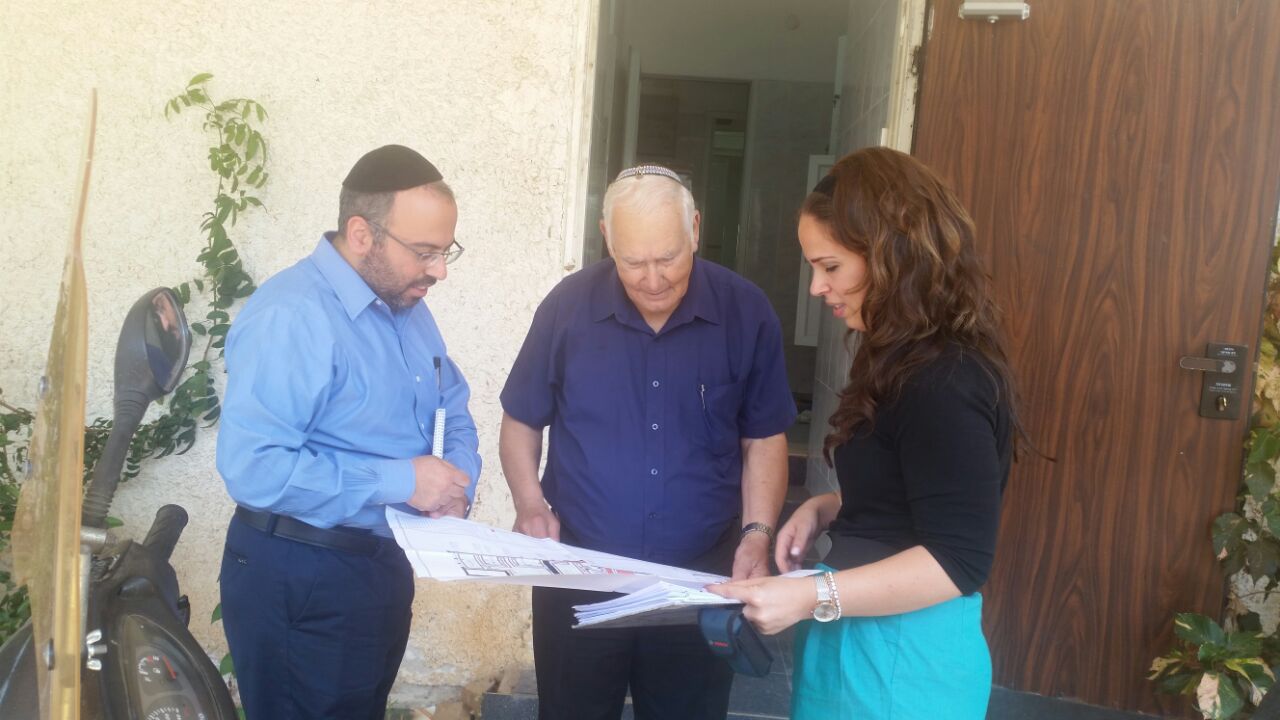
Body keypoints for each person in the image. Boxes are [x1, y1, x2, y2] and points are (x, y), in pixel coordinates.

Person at [710, 147, 1024, 719]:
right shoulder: (901, 361)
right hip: (860, 639)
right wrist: (827, 507)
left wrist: (808, 595)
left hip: (904, 661)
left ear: (892, 256)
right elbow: (913, 492)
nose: (816, 287)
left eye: (830, 267)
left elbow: (958, 558)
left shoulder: (946, 379)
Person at [499, 164, 797, 720]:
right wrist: (529, 502)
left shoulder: (746, 311)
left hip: (697, 580)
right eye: (634, 262)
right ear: (607, 238)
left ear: (696, 230)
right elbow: (521, 419)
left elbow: (763, 437)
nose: (653, 279)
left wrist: (757, 534)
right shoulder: (567, 308)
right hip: (581, 572)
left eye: (668, 259)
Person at [215, 144, 481, 719]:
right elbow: (255, 467)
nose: (439, 270)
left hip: (380, 568)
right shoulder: (293, 315)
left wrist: (456, 483)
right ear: (362, 234)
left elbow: (452, 406)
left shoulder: (409, 306)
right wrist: (401, 482)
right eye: (425, 252)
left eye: (446, 251)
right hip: (303, 576)